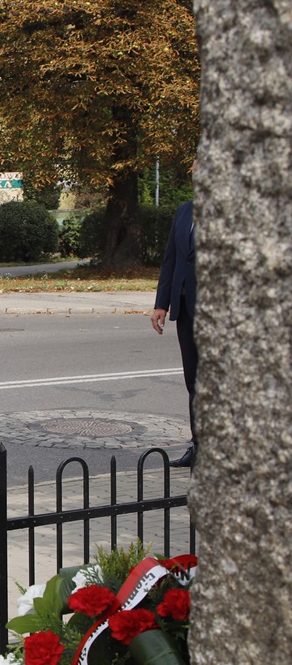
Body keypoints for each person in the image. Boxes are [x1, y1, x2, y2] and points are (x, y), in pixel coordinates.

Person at [151, 199, 197, 468]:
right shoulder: (184, 210)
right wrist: (161, 304)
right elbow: (171, 259)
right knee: (194, 382)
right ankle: (199, 447)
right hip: (185, 306)